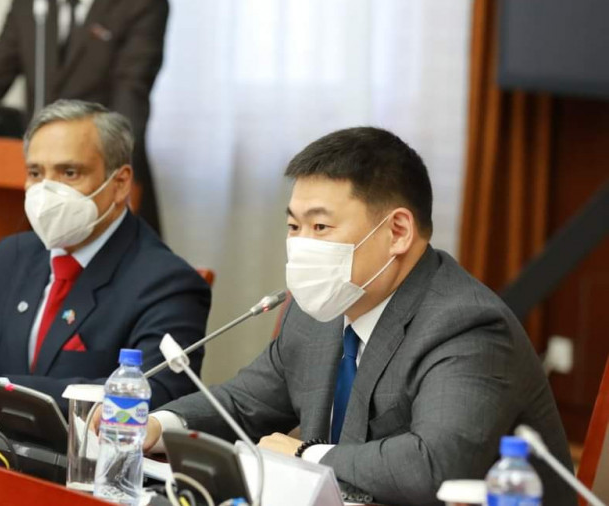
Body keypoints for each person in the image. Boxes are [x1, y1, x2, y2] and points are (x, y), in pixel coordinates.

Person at [142, 127, 576, 505]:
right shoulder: (320, 309)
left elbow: (433, 465)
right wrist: (158, 425)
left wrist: (306, 455)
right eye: (294, 227)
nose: (301, 246)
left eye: (320, 227)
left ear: (397, 232)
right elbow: (244, 402)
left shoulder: (466, 325)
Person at [0, 100, 210, 424]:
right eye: (35, 172)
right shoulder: (15, 255)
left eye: (70, 172)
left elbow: (157, 391)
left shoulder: (167, 282)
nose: (47, 191)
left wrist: (7, 396)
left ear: (119, 184)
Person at [0, 0, 168, 235]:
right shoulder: (30, 5)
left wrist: (119, 167)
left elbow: (131, 96)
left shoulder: (140, 5)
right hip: (28, 191)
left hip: (97, 181)